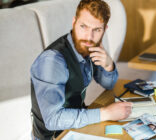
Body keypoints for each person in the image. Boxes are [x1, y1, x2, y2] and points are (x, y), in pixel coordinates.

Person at [30, 0, 132, 139]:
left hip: (78, 125)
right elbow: (53, 120)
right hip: (55, 136)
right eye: (83, 26)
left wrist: (108, 65)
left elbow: (109, 84)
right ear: (74, 22)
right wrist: (105, 113)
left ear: (104, 29)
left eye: (96, 30)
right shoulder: (52, 61)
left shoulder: (90, 47)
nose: (89, 37)